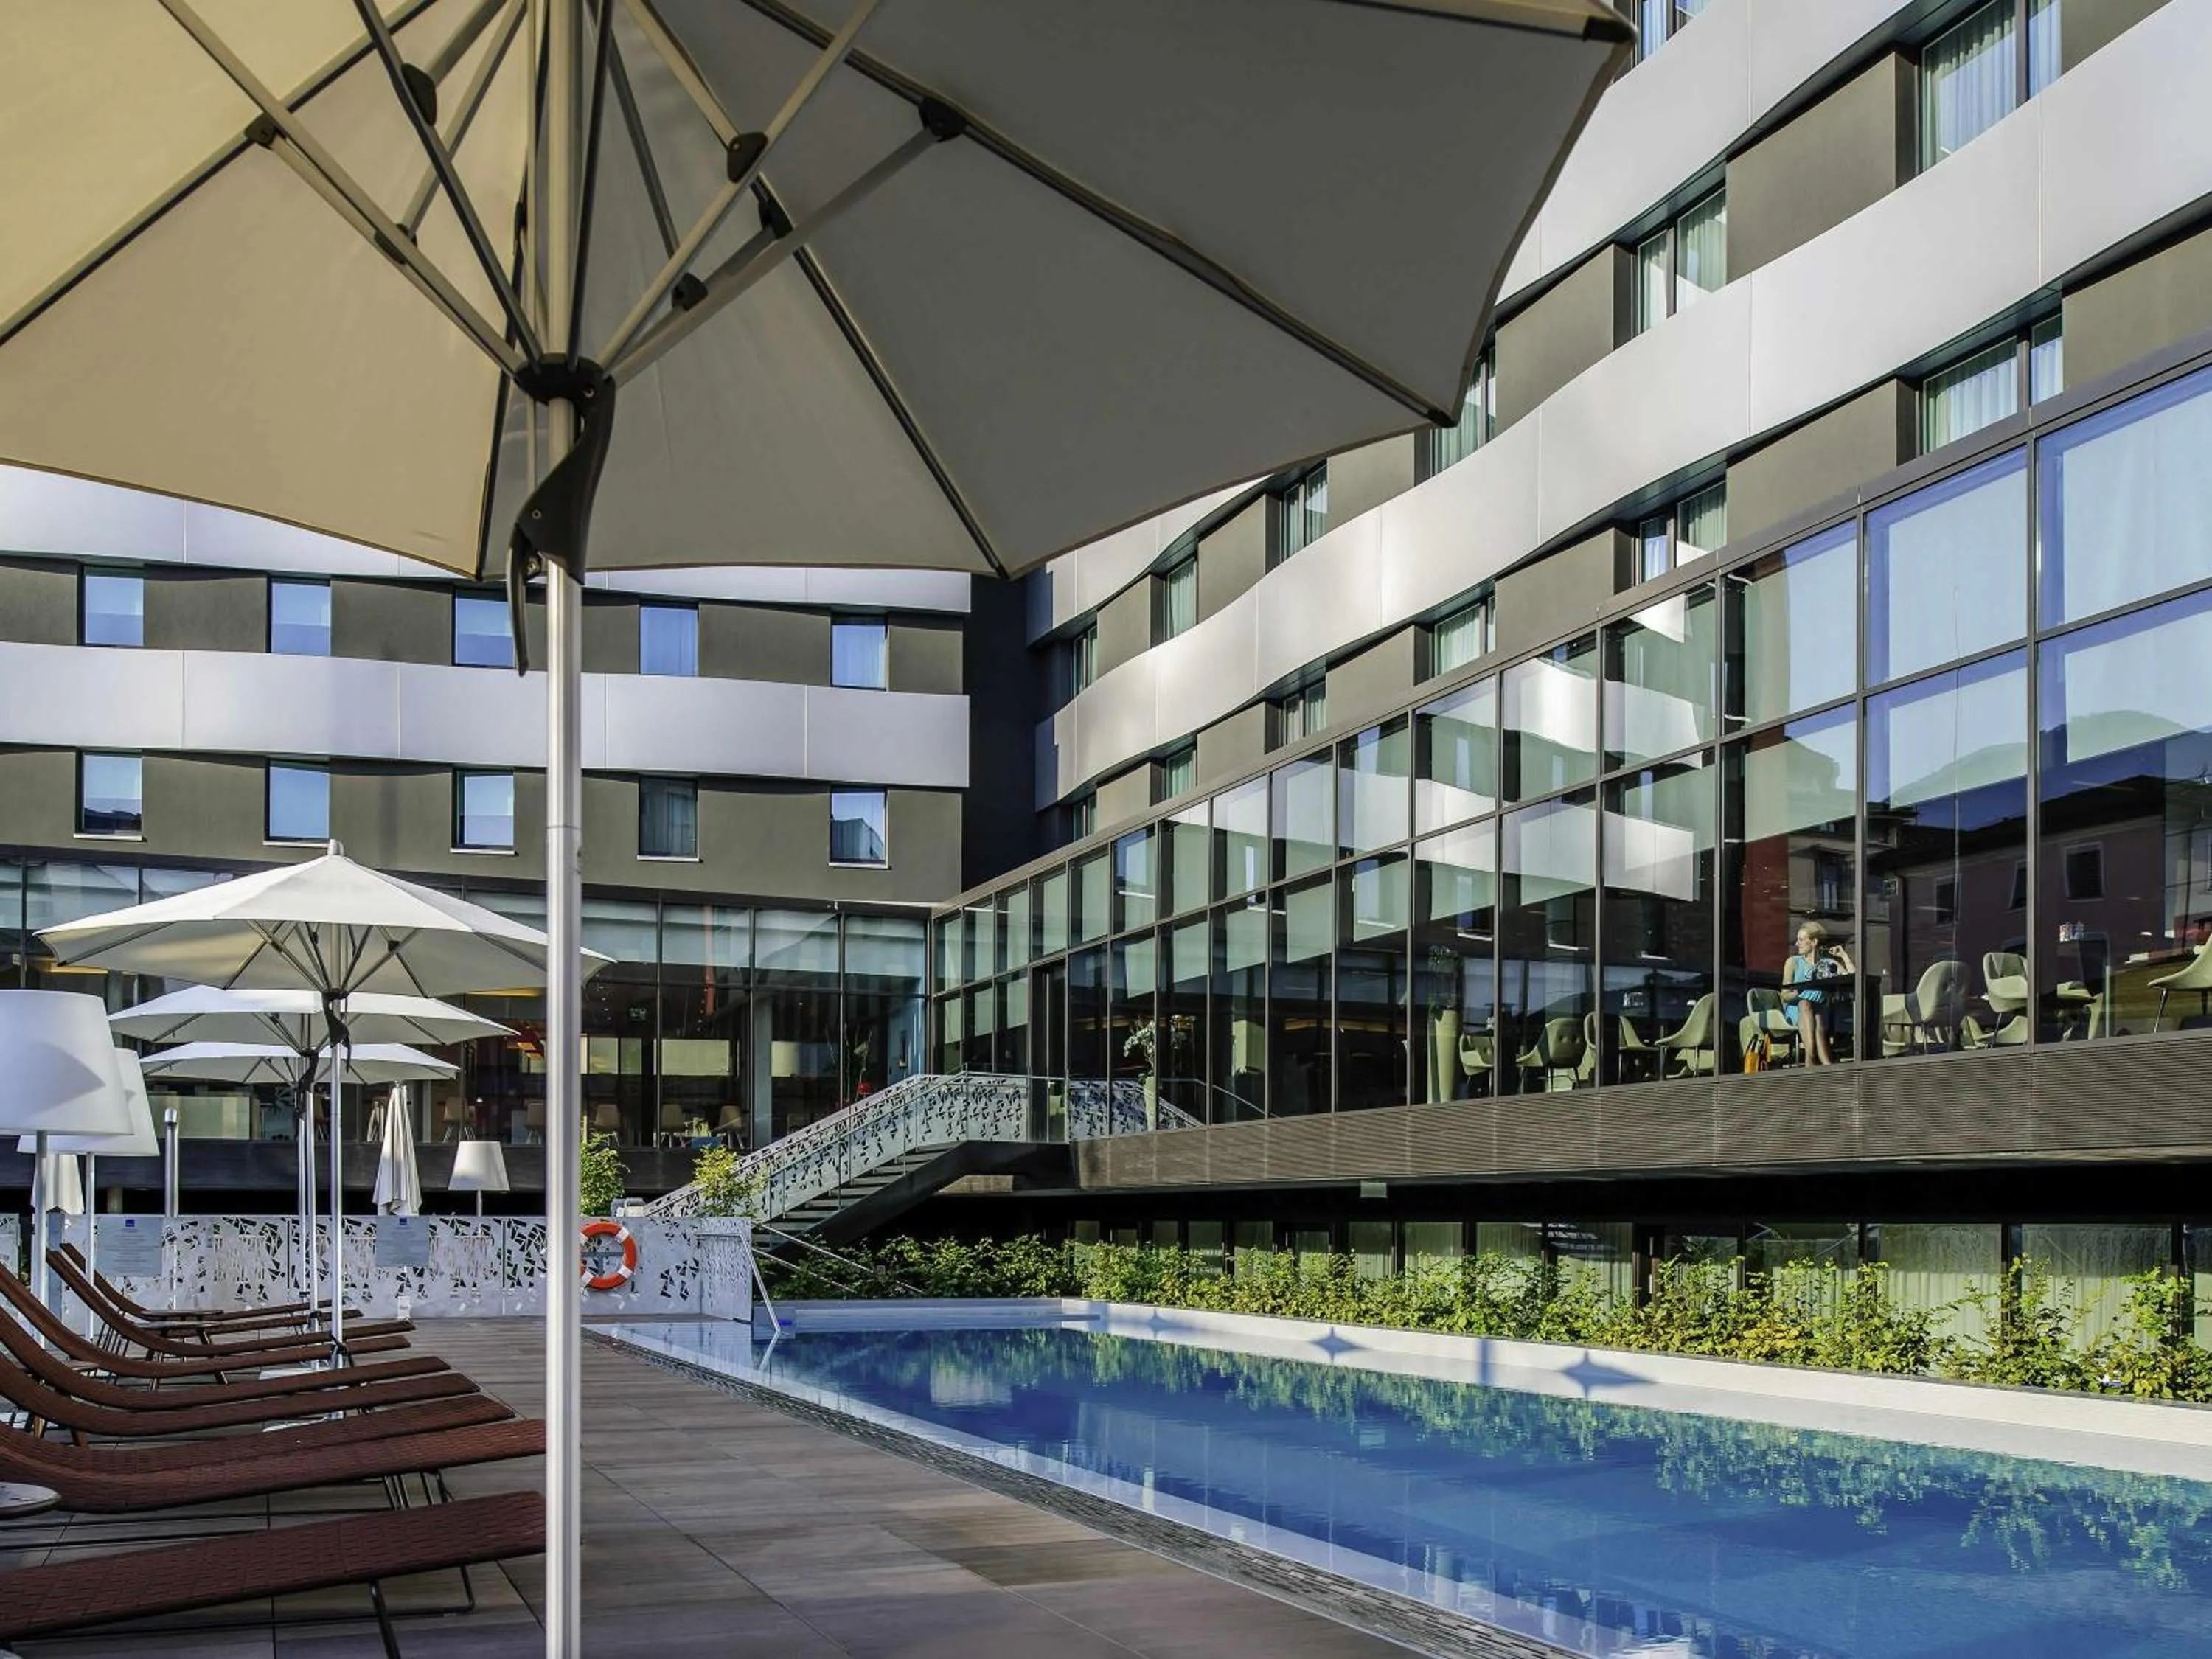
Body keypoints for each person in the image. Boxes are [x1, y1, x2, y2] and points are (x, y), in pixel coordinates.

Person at [1781, 920, 1854, 1065]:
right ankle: (1816, 1057)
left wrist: (1844, 956)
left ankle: (1815, 1059)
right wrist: (1800, 992)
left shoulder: (1827, 964)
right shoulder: (1793, 962)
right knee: (1805, 1003)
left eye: (1801, 940)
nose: (1797, 944)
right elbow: (1785, 995)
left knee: (1818, 1016)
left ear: (1814, 942)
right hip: (1797, 1010)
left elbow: (1853, 978)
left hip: (1819, 1011)